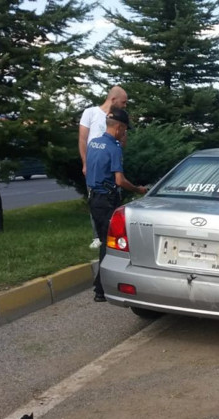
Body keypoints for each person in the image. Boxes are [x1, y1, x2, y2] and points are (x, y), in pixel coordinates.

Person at [86, 107, 147, 302]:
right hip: (107, 199)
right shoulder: (114, 148)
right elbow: (119, 180)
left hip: (94, 198)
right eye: (125, 129)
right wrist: (138, 189)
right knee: (109, 243)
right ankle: (100, 289)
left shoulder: (94, 143)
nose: (125, 133)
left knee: (105, 240)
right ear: (119, 127)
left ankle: (101, 286)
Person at [79, 86, 129, 249]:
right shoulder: (91, 113)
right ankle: (97, 236)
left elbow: (121, 145)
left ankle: (109, 237)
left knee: (107, 200)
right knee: (96, 198)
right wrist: (86, 163)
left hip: (110, 163)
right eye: (123, 102)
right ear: (113, 100)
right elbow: (83, 139)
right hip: (95, 165)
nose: (125, 105)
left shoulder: (118, 119)